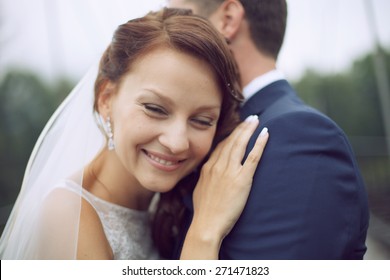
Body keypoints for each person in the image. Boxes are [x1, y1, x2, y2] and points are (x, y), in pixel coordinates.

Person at [0, 8, 269, 260]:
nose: (176, 142)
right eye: (154, 109)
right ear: (106, 99)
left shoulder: (164, 206)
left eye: (201, 120)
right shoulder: (65, 213)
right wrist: (205, 233)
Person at [168, 0, 370, 259]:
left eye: (179, 17)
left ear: (228, 19)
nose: (168, 32)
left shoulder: (299, 138)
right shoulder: (210, 129)